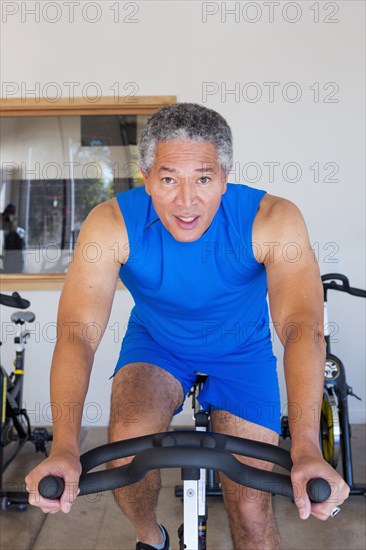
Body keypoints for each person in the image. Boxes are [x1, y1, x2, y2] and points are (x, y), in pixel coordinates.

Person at [26, 103, 349, 550]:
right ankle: (151, 536)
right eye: (168, 179)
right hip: (157, 345)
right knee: (125, 451)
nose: (186, 200)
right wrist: (63, 446)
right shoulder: (111, 224)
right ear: (146, 177)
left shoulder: (273, 220)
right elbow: (78, 333)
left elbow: (301, 327)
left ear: (225, 176)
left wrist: (308, 446)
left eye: (203, 178)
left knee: (253, 505)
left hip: (242, 351)